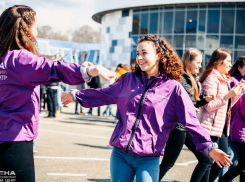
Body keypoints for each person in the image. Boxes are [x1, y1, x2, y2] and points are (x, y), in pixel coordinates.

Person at [62, 34, 232, 182]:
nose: (140, 57)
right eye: (137, 53)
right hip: (120, 155)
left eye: (144, 53)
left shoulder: (173, 88)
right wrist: (77, 95)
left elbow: (191, 121)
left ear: (159, 55)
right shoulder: (128, 79)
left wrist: (209, 147)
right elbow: (104, 94)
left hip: (148, 157)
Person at [0, 5, 115, 182]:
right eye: (36, 25)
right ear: (26, 28)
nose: (37, 29)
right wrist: (92, 69)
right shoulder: (20, 59)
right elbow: (54, 69)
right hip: (14, 139)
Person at [159, 48, 214, 182]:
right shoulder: (181, 79)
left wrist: (203, 100)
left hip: (186, 127)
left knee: (206, 160)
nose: (200, 66)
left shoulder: (193, 78)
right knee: (167, 164)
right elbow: (175, 102)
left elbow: (192, 103)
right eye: (198, 62)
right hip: (178, 127)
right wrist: (189, 108)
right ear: (189, 61)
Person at [197, 48, 245, 182]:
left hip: (221, 128)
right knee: (208, 163)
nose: (231, 64)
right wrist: (229, 95)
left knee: (222, 161)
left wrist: (236, 94)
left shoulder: (224, 79)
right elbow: (209, 106)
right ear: (218, 62)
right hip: (210, 126)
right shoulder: (211, 79)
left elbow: (226, 105)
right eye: (228, 61)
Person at [219, 56, 245, 182]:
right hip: (236, 126)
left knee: (239, 162)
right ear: (239, 68)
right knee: (233, 159)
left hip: (236, 126)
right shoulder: (237, 82)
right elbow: (241, 108)